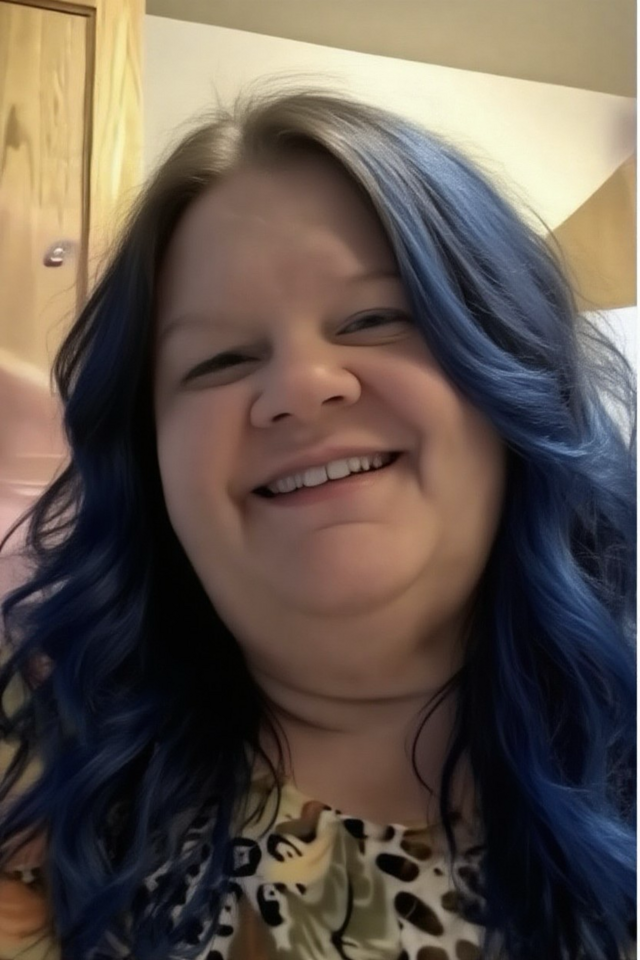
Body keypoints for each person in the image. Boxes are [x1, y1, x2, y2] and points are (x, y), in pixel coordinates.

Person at [0, 85, 636, 960]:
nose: (300, 387)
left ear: (516, 379)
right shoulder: (33, 748)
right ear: (150, 462)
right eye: (219, 359)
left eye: (375, 319)